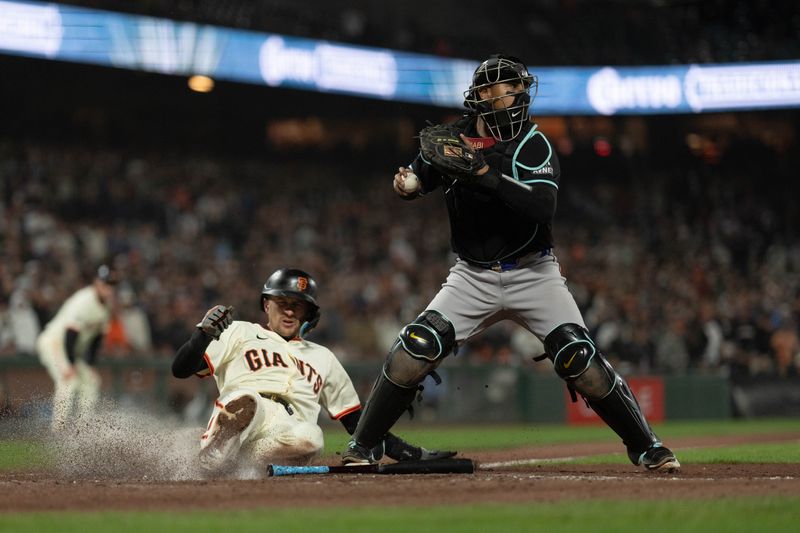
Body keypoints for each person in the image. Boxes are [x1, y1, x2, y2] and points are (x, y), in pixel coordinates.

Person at [342, 54, 680, 471]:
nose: (511, 97)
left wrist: (484, 174)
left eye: (515, 89)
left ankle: (646, 445)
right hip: (472, 275)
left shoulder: (534, 143)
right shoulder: (451, 138)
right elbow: (418, 177)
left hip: (534, 272)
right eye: (501, 89)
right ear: (480, 96)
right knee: (415, 348)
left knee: (579, 358)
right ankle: (366, 444)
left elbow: (542, 207)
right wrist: (407, 185)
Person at [171, 268, 454, 471]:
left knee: (312, 437)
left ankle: (237, 461)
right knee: (249, 402)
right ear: (266, 305)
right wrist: (202, 335)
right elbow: (181, 369)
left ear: (310, 315)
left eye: (299, 306)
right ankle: (213, 453)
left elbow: (360, 424)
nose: (291, 311)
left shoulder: (324, 357)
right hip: (246, 405)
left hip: (285, 431)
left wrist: (408, 452)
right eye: (283, 303)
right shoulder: (238, 331)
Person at [36, 265, 117, 431]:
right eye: (106, 283)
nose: (109, 288)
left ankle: (82, 430)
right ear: (97, 283)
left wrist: (91, 365)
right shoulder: (84, 300)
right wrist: (71, 364)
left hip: (70, 350)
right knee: (68, 378)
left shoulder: (106, 306)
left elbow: (97, 338)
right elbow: (70, 334)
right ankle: (58, 430)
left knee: (92, 381)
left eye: (112, 284)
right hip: (54, 344)